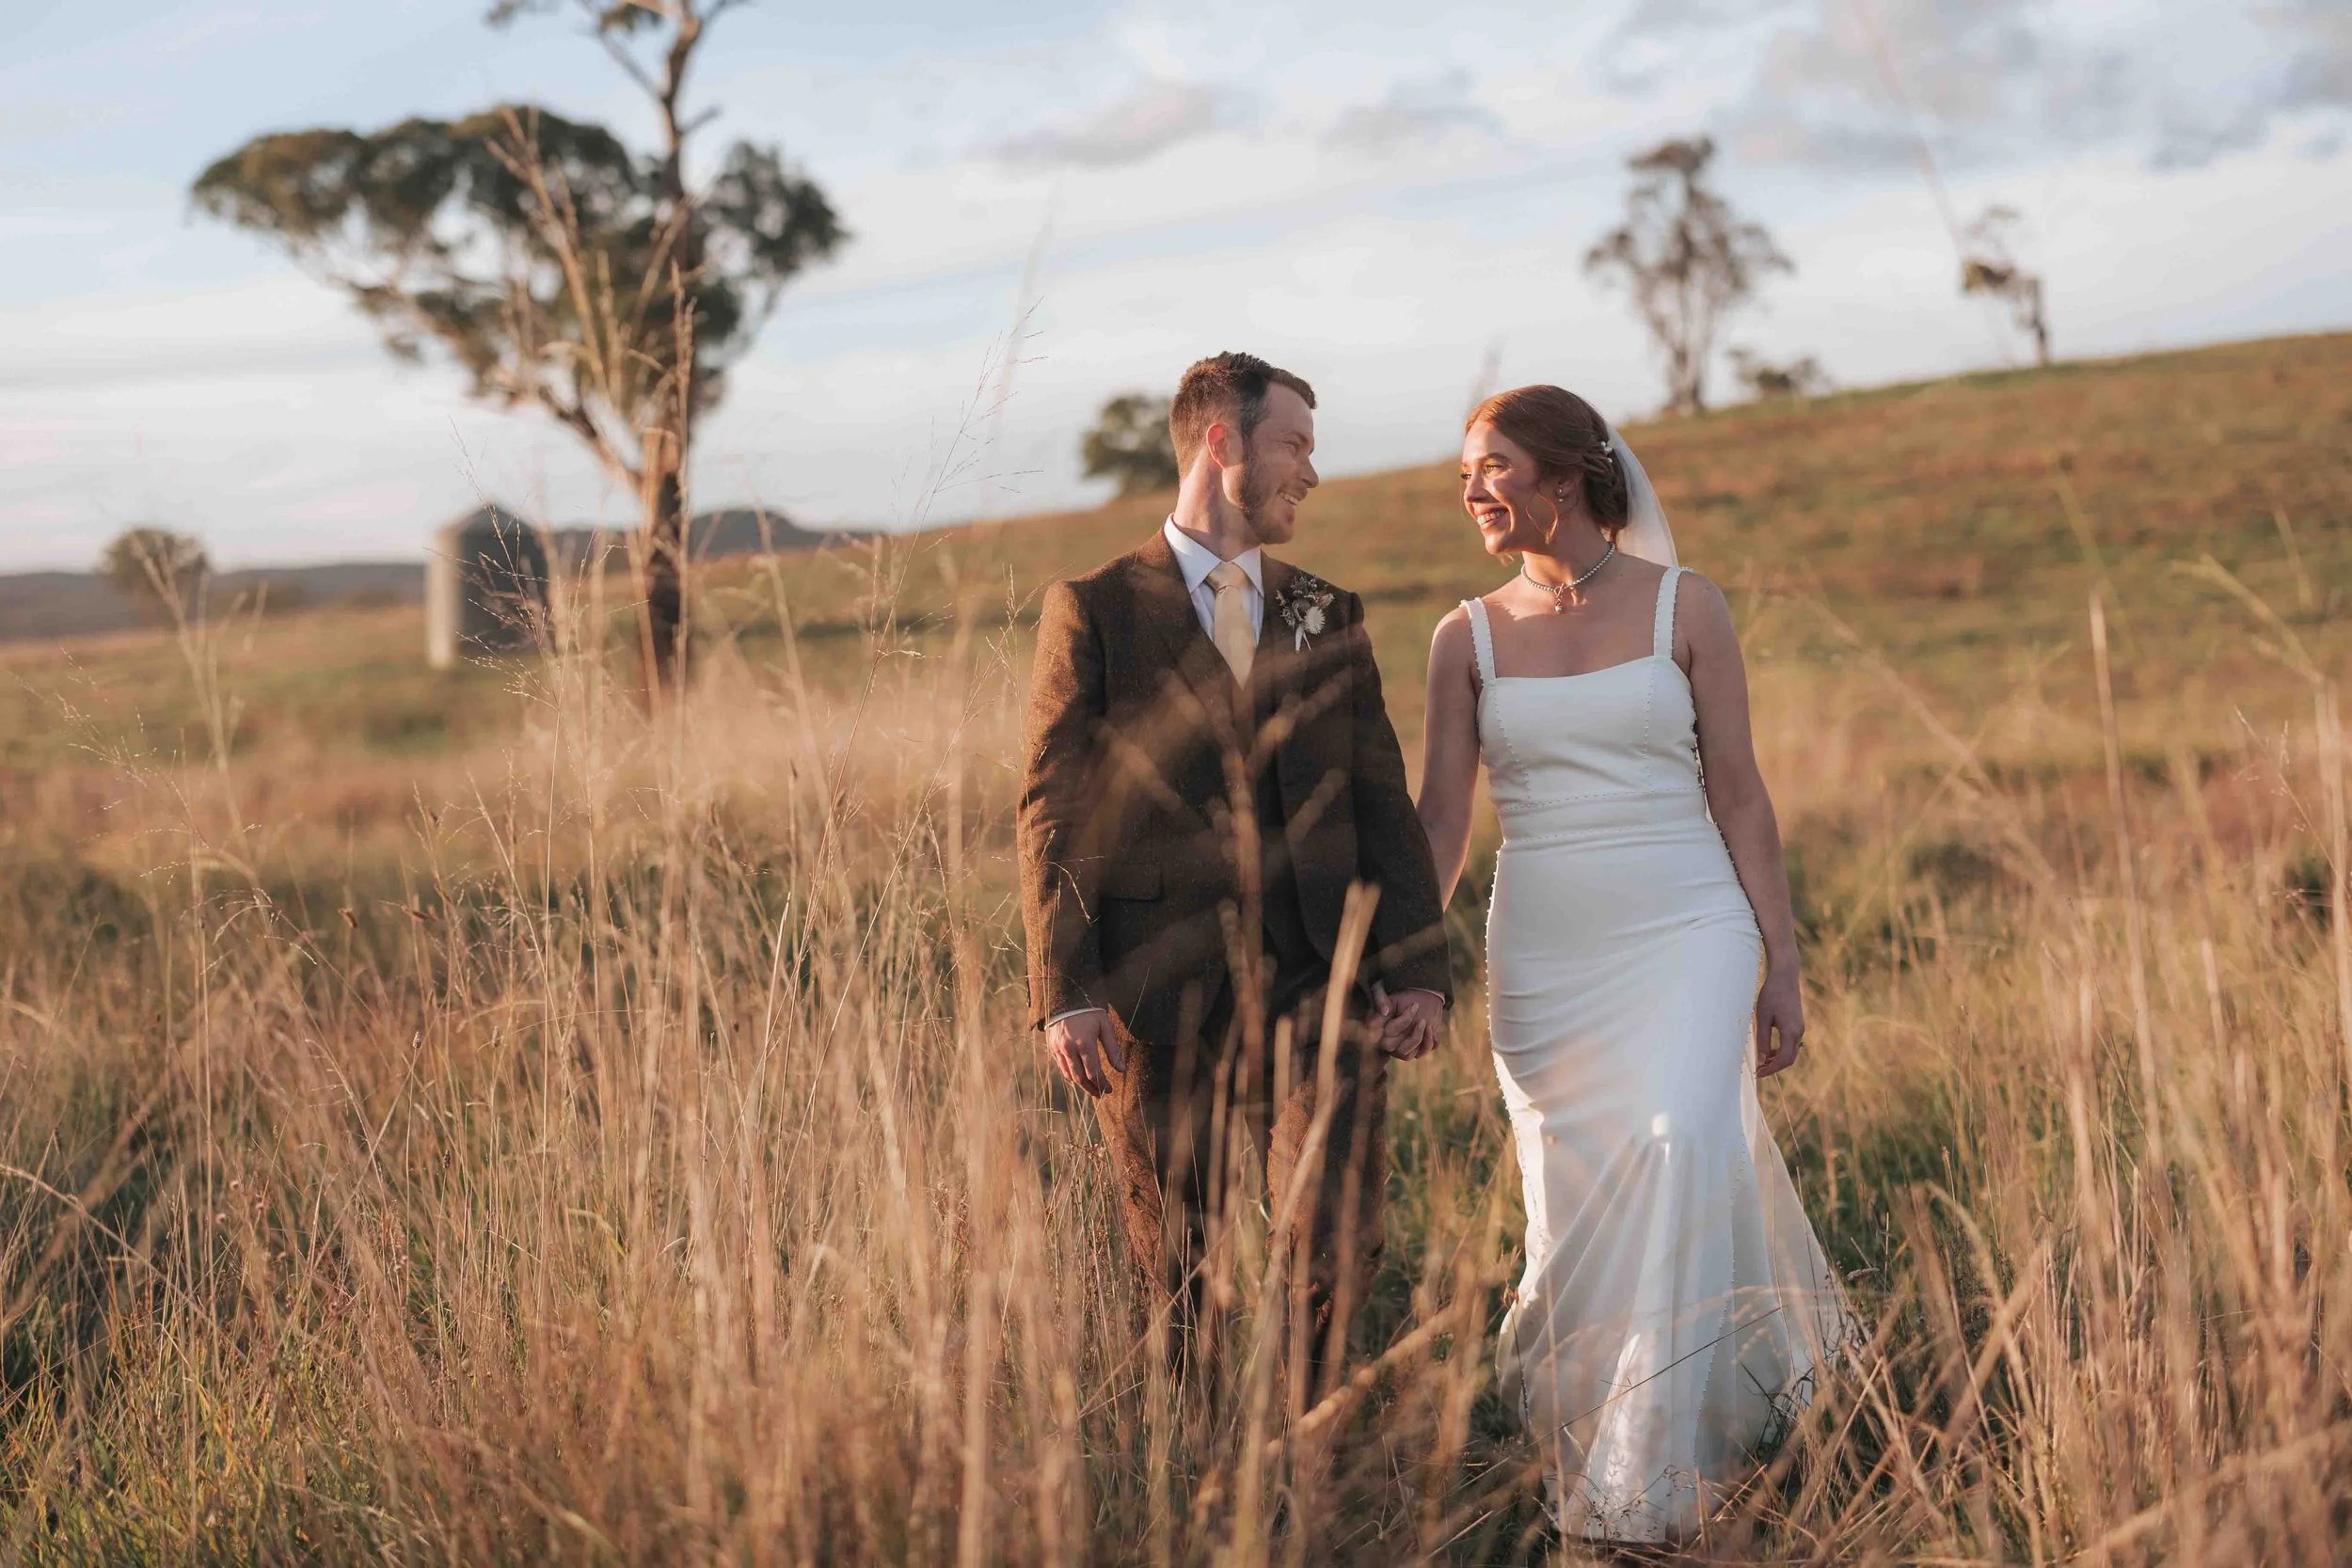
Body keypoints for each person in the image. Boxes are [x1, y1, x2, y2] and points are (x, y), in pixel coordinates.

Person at [1415, 385, 1854, 1544]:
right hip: (1547, 949)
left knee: (1679, 1137)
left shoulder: (1685, 608)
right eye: (1465, 471)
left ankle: (1641, 1483)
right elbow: (1440, 826)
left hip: (1690, 922)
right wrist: (1391, 955)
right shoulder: (1461, 636)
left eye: (1492, 466)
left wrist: (1779, 964)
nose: (1470, 490)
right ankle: (1584, 1406)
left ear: (1565, 478)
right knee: (1571, 1197)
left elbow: (1741, 793)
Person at [1017, 351, 1452, 1402]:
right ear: (1222, 444)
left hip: (1323, 982)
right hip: (1154, 992)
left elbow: (1379, 799)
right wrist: (1065, 991)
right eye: (1293, 443)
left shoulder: (1325, 611)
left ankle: (1308, 1440)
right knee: (1178, 1253)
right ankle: (1201, 1461)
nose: (1310, 469)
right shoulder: (1095, 609)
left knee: (1337, 1232)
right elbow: (1054, 806)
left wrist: (1418, 968)